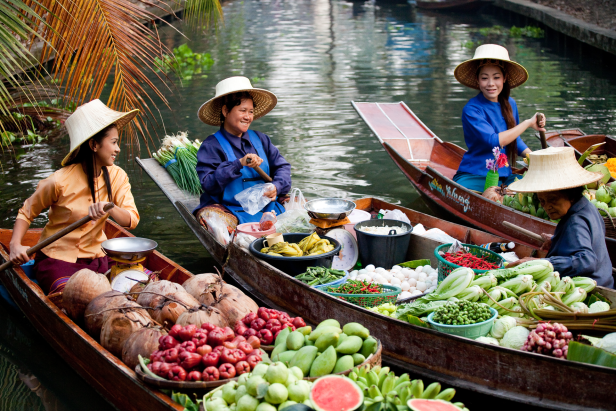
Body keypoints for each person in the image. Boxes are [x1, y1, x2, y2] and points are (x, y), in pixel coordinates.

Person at [9, 100, 140, 294]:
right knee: (72, 298)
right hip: (59, 261)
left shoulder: (118, 176)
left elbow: (132, 220)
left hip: (99, 259)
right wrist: (15, 245)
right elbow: (26, 212)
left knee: (140, 283)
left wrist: (110, 207)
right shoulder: (59, 181)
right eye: (113, 142)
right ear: (94, 145)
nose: (117, 149)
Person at [507, 147, 614, 288]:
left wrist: (538, 263)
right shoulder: (588, 207)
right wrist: (558, 241)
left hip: (591, 290)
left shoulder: (575, 222)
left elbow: (586, 261)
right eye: (542, 201)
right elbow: (587, 240)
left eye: (553, 199)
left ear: (570, 194)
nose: (547, 207)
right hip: (607, 282)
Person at [193, 76, 291, 226]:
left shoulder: (261, 139)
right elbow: (208, 184)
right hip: (232, 213)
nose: (248, 117)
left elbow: (283, 167)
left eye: (251, 112)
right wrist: (239, 163)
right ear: (226, 111)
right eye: (243, 110)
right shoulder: (211, 145)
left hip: (269, 210)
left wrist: (276, 186)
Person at [452, 44, 547, 192]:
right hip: (475, 176)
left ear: (504, 78)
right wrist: (528, 123)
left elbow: (514, 141)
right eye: (484, 78)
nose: (491, 84)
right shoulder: (472, 109)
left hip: (503, 176)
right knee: (499, 195)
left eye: (496, 77)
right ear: (477, 80)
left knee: (540, 186)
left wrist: (536, 160)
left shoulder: (510, 104)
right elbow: (494, 142)